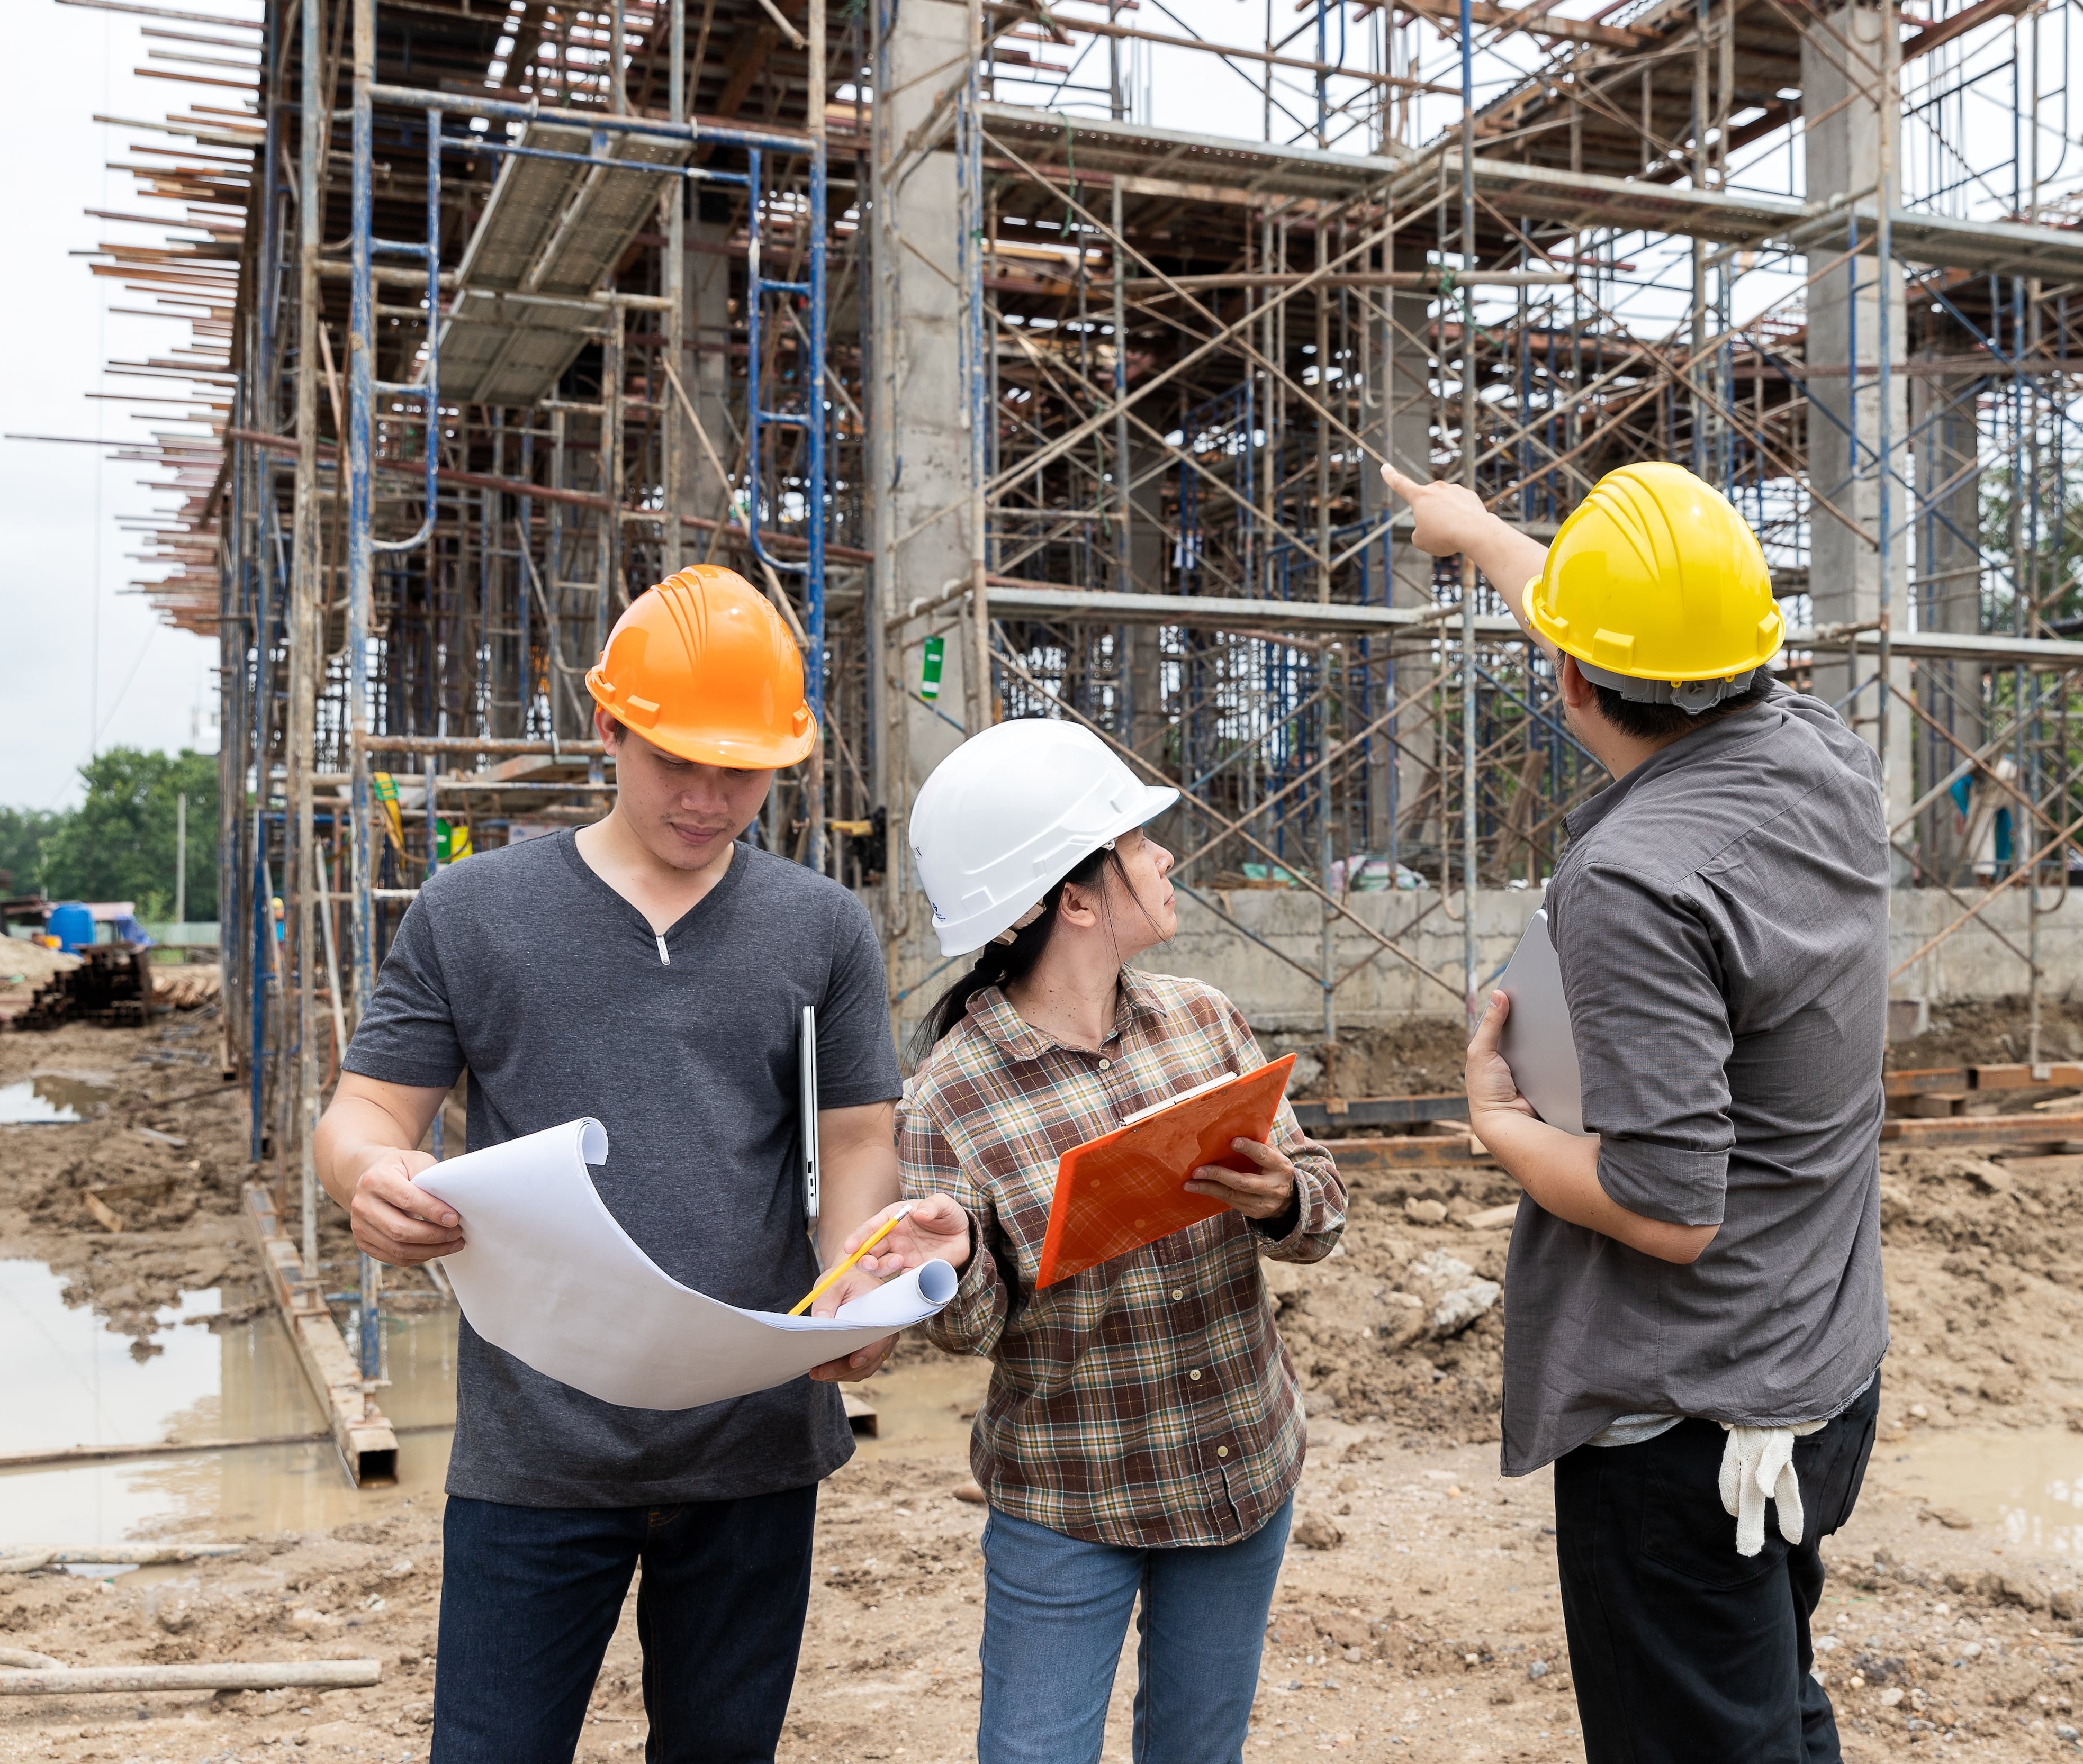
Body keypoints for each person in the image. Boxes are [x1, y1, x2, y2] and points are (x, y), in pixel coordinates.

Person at [313, 564, 910, 1764]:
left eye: (739, 771)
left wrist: (857, 1274)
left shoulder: (821, 926)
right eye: (672, 761)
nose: (705, 798)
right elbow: (365, 1110)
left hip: (750, 1436)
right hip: (539, 1442)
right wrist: (366, 1174)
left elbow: (855, 1139)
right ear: (607, 728)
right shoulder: (473, 911)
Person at [1384, 460, 1891, 1763]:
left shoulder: (1633, 877)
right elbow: (1642, 626)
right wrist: (1482, 532)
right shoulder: (1823, 753)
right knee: (1765, 1702)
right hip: (1817, 1371)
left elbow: (1669, 1208)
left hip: (1689, 1427)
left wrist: (1497, 1121)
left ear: (1564, 681)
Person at [823, 717, 1347, 1764]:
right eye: (1137, 844)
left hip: (1236, 1467)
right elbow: (971, 1332)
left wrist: (1283, 1192)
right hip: (1071, 1496)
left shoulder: (1204, 1023)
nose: (1162, 858)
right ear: (1075, 896)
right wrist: (959, 1256)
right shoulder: (950, 1097)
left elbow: (1322, 1215)